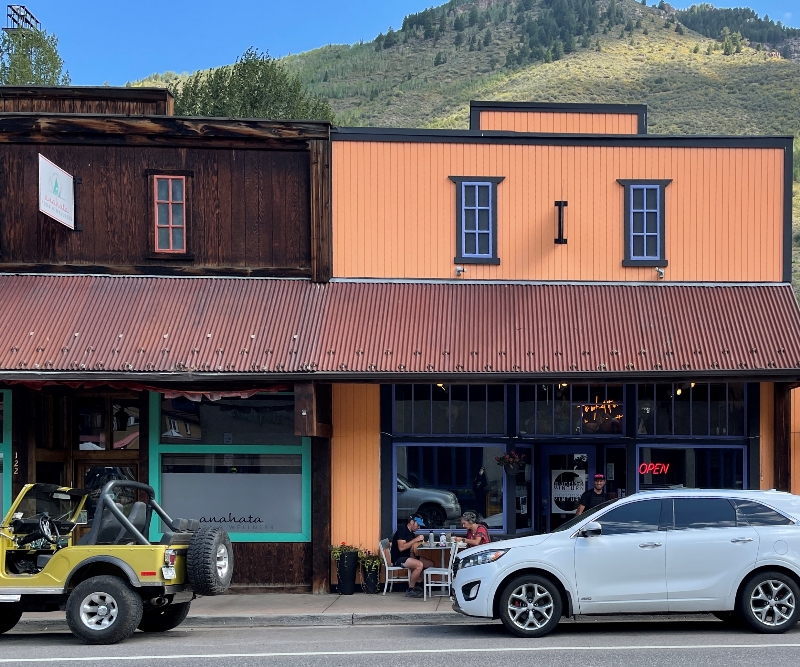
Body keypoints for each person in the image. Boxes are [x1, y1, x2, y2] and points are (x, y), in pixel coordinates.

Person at [389, 514, 435, 597]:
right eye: (418, 525)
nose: (419, 528)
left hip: (408, 557)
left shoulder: (411, 533)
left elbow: (410, 549)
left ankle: (417, 585)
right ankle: (410, 589)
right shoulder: (402, 530)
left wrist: (413, 557)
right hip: (398, 558)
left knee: (430, 564)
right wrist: (416, 539)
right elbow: (401, 548)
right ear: (411, 522)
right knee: (419, 565)